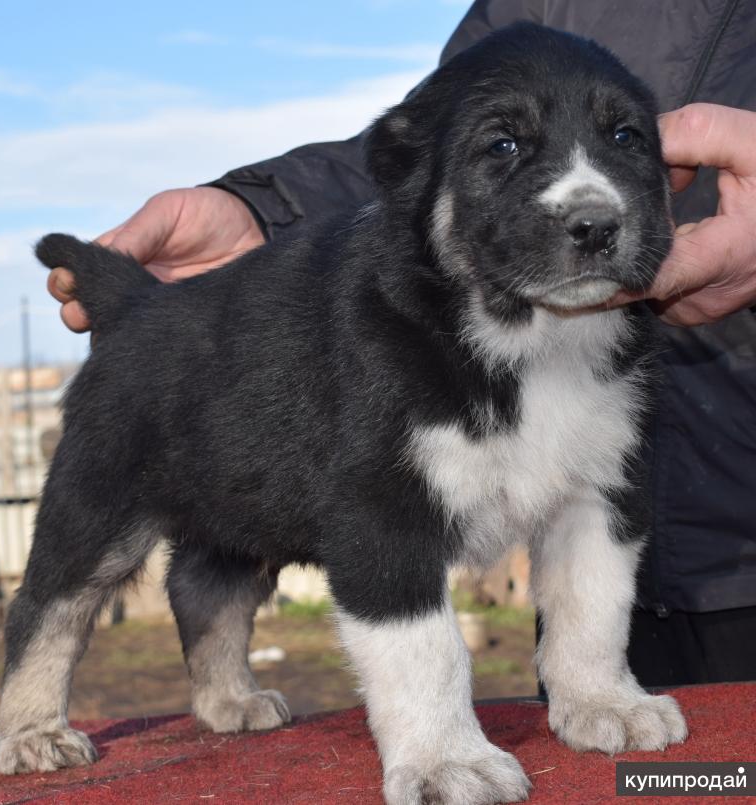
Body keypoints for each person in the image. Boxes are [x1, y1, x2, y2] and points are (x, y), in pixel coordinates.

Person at [48, 2, 756, 687]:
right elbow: (422, 150)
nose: (590, 202)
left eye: (626, 137)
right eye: (508, 145)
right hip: (639, 575)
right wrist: (263, 210)